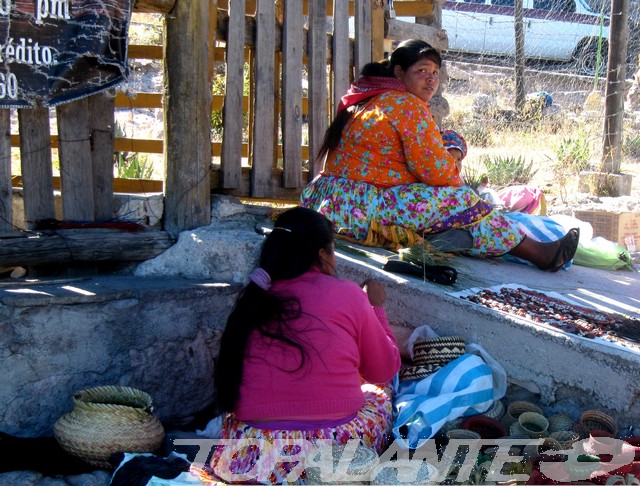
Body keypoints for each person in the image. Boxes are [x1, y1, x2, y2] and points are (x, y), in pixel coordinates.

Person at [300, 39, 579, 272]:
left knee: (452, 193)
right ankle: (540, 254)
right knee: (465, 200)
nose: (431, 78)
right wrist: (454, 157)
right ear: (399, 73)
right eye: (421, 70)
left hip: (329, 199)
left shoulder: (368, 97)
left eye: (435, 72)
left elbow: (426, 146)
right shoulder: (406, 105)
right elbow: (439, 175)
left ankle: (447, 239)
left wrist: (452, 148)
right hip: (359, 207)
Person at [199, 207, 401, 484]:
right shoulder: (350, 294)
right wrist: (376, 308)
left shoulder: (254, 296)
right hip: (333, 449)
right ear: (321, 255)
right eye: (333, 251)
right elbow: (383, 369)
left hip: (251, 456)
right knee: (377, 391)